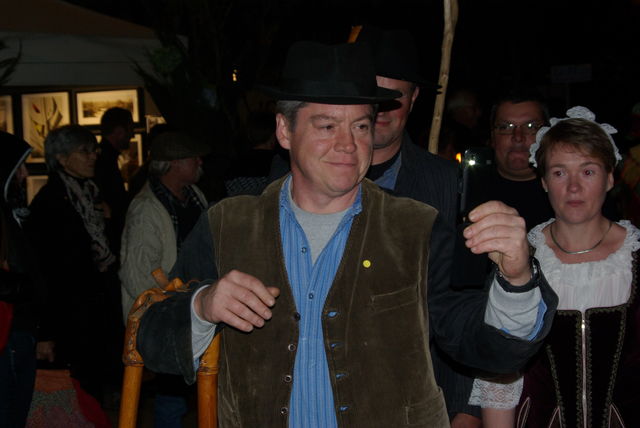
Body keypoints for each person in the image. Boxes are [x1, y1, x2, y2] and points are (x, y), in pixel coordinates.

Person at [136, 41, 557, 427]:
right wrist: (202, 305)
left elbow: (488, 348)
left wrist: (516, 280)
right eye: (326, 126)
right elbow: (151, 341)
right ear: (284, 130)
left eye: (360, 127)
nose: (348, 144)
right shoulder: (228, 224)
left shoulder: (416, 228)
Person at [471, 106, 640, 427]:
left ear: (609, 178)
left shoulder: (635, 256)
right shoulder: (519, 260)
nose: (573, 187)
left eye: (588, 172)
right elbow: (500, 378)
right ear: (545, 181)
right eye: (560, 172)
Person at [120, 131, 209, 428]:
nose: (200, 162)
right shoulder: (147, 209)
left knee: (193, 389)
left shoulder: (194, 196)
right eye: (193, 157)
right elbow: (138, 274)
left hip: (194, 308)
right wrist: (175, 297)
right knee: (172, 394)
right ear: (173, 164)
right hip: (168, 314)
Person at [26, 125, 118, 403]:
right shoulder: (50, 202)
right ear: (62, 159)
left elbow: (106, 250)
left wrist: (110, 220)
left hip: (94, 309)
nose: (93, 156)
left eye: (94, 150)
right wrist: (46, 332)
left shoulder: (91, 195)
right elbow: (44, 270)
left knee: (92, 393)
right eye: (84, 151)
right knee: (77, 395)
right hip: (69, 315)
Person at [0, 131, 53, 428]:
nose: (24, 174)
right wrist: (27, 288)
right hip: (9, 329)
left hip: (18, 327)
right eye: (18, 166)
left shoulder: (11, 211)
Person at [95, 106, 134, 254]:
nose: (132, 134)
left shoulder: (105, 158)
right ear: (119, 131)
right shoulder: (104, 161)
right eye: (130, 129)